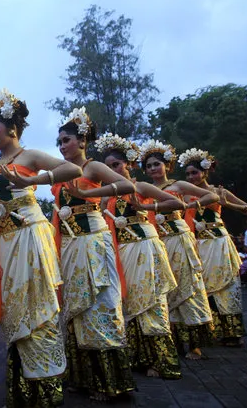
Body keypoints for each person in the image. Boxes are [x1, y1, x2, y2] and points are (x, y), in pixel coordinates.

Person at [0, 89, 82, 407]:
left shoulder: (29, 155)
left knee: (38, 307)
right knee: (15, 309)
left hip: (30, 237)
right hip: (6, 243)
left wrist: (35, 180)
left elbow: (73, 170)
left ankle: (48, 387)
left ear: (11, 128)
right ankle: (24, 388)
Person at [52, 108, 136, 402]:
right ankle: (82, 377)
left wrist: (91, 196)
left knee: (101, 302)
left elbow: (127, 185)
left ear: (82, 140)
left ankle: (109, 381)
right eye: (59, 142)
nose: (62, 146)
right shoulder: (63, 173)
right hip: (71, 246)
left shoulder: (93, 167)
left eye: (66, 140)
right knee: (77, 308)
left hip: (94, 241)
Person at [95, 133, 182, 379]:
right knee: (130, 303)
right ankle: (138, 357)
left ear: (128, 164)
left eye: (116, 165)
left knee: (151, 301)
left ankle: (163, 361)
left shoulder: (140, 187)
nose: (113, 170)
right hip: (120, 250)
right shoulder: (107, 194)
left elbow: (176, 204)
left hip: (144, 245)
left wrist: (146, 207)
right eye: (108, 167)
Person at [138, 140, 218, 360]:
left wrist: (189, 206)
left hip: (179, 238)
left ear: (167, 166)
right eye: (149, 166)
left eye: (157, 164)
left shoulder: (178, 186)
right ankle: (172, 340)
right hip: (157, 241)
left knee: (186, 286)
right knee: (166, 288)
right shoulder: (145, 190)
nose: (153, 169)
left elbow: (212, 196)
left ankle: (194, 345)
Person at [181, 148, 247, 346]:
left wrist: (227, 203)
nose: (191, 177)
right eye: (187, 174)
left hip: (219, 242)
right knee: (202, 286)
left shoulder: (219, 191)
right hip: (197, 244)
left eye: (194, 172)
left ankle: (233, 333)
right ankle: (210, 331)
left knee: (227, 285)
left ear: (205, 172)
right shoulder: (185, 195)